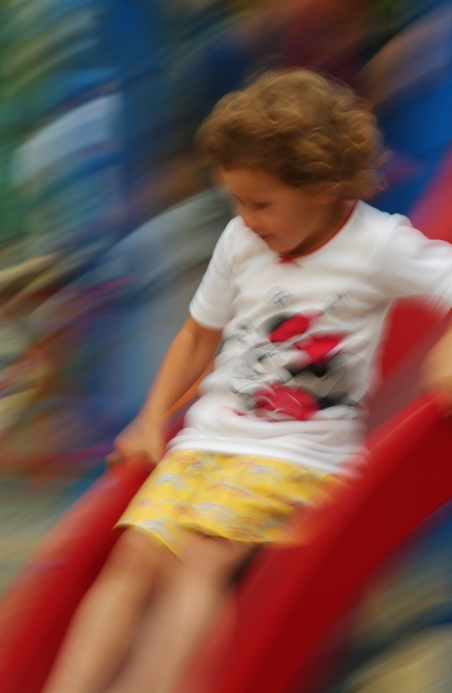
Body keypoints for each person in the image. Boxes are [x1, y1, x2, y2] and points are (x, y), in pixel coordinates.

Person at [42, 69, 452, 693]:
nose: (245, 218)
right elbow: (197, 335)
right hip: (208, 442)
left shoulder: (378, 244)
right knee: (134, 556)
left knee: (197, 560)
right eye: (236, 201)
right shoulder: (242, 239)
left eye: (260, 204)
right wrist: (151, 417)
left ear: (320, 186)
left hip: (297, 456)